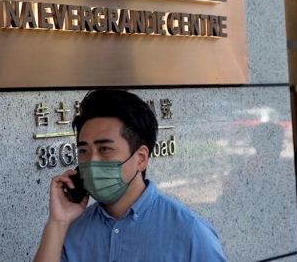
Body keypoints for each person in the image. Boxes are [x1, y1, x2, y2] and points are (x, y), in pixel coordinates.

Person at [33, 88, 227, 262]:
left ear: (141, 158)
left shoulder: (190, 232)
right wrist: (57, 222)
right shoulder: (71, 231)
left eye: (105, 149)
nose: (93, 161)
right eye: (84, 151)